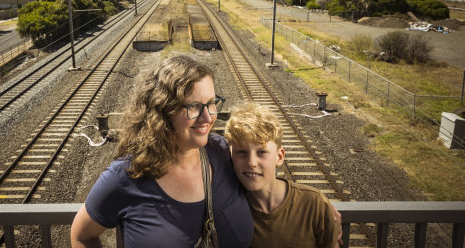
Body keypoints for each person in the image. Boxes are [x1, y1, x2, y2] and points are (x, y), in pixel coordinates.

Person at [70, 55, 253, 247]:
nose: (207, 117)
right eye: (194, 107)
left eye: (211, 103)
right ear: (164, 111)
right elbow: (82, 235)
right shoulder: (125, 176)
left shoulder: (222, 152)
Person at [225, 101, 340, 248]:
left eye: (261, 152)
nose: (251, 162)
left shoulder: (314, 204)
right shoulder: (226, 207)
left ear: (279, 157)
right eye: (241, 152)